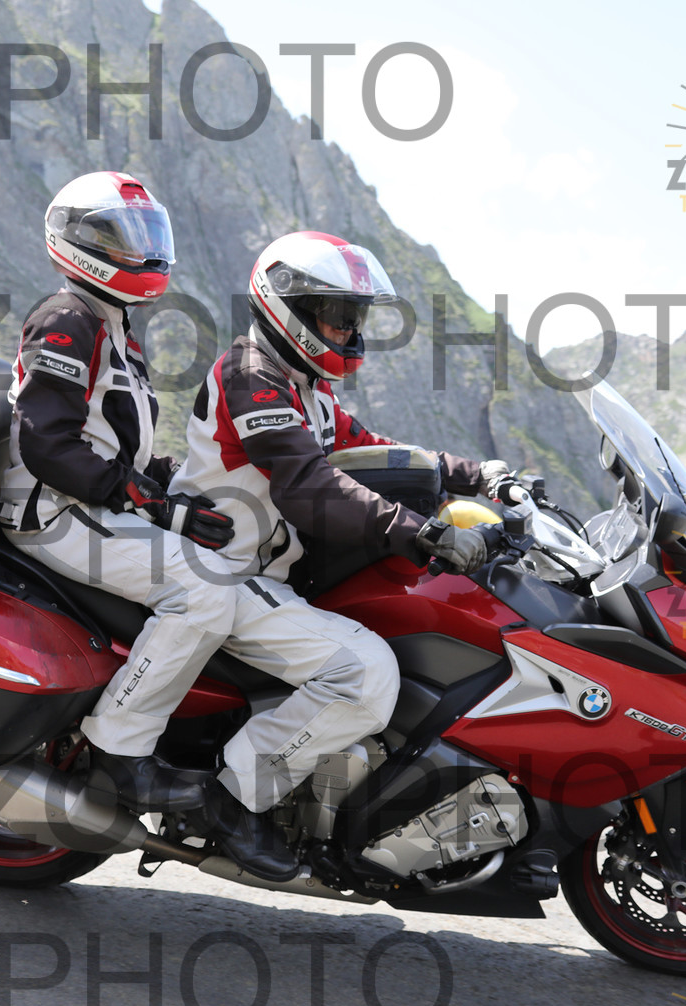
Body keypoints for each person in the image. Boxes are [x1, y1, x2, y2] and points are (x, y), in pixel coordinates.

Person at [170, 231, 511, 874]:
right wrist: (421, 532)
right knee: (366, 674)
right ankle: (231, 802)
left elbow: (380, 451)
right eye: (337, 316)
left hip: (263, 576)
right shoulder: (252, 376)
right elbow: (309, 485)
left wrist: (480, 474)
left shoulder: (308, 389)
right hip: (222, 575)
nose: (350, 332)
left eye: (355, 317)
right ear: (290, 307)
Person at [0, 171, 236, 818]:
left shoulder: (114, 326)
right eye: (120, 239)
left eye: (145, 237)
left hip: (86, 502)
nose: (141, 253)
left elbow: (117, 444)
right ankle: (118, 757)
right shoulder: (67, 318)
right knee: (204, 592)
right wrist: (149, 500)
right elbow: (48, 443)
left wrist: (183, 482)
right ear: (75, 242)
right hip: (52, 510)